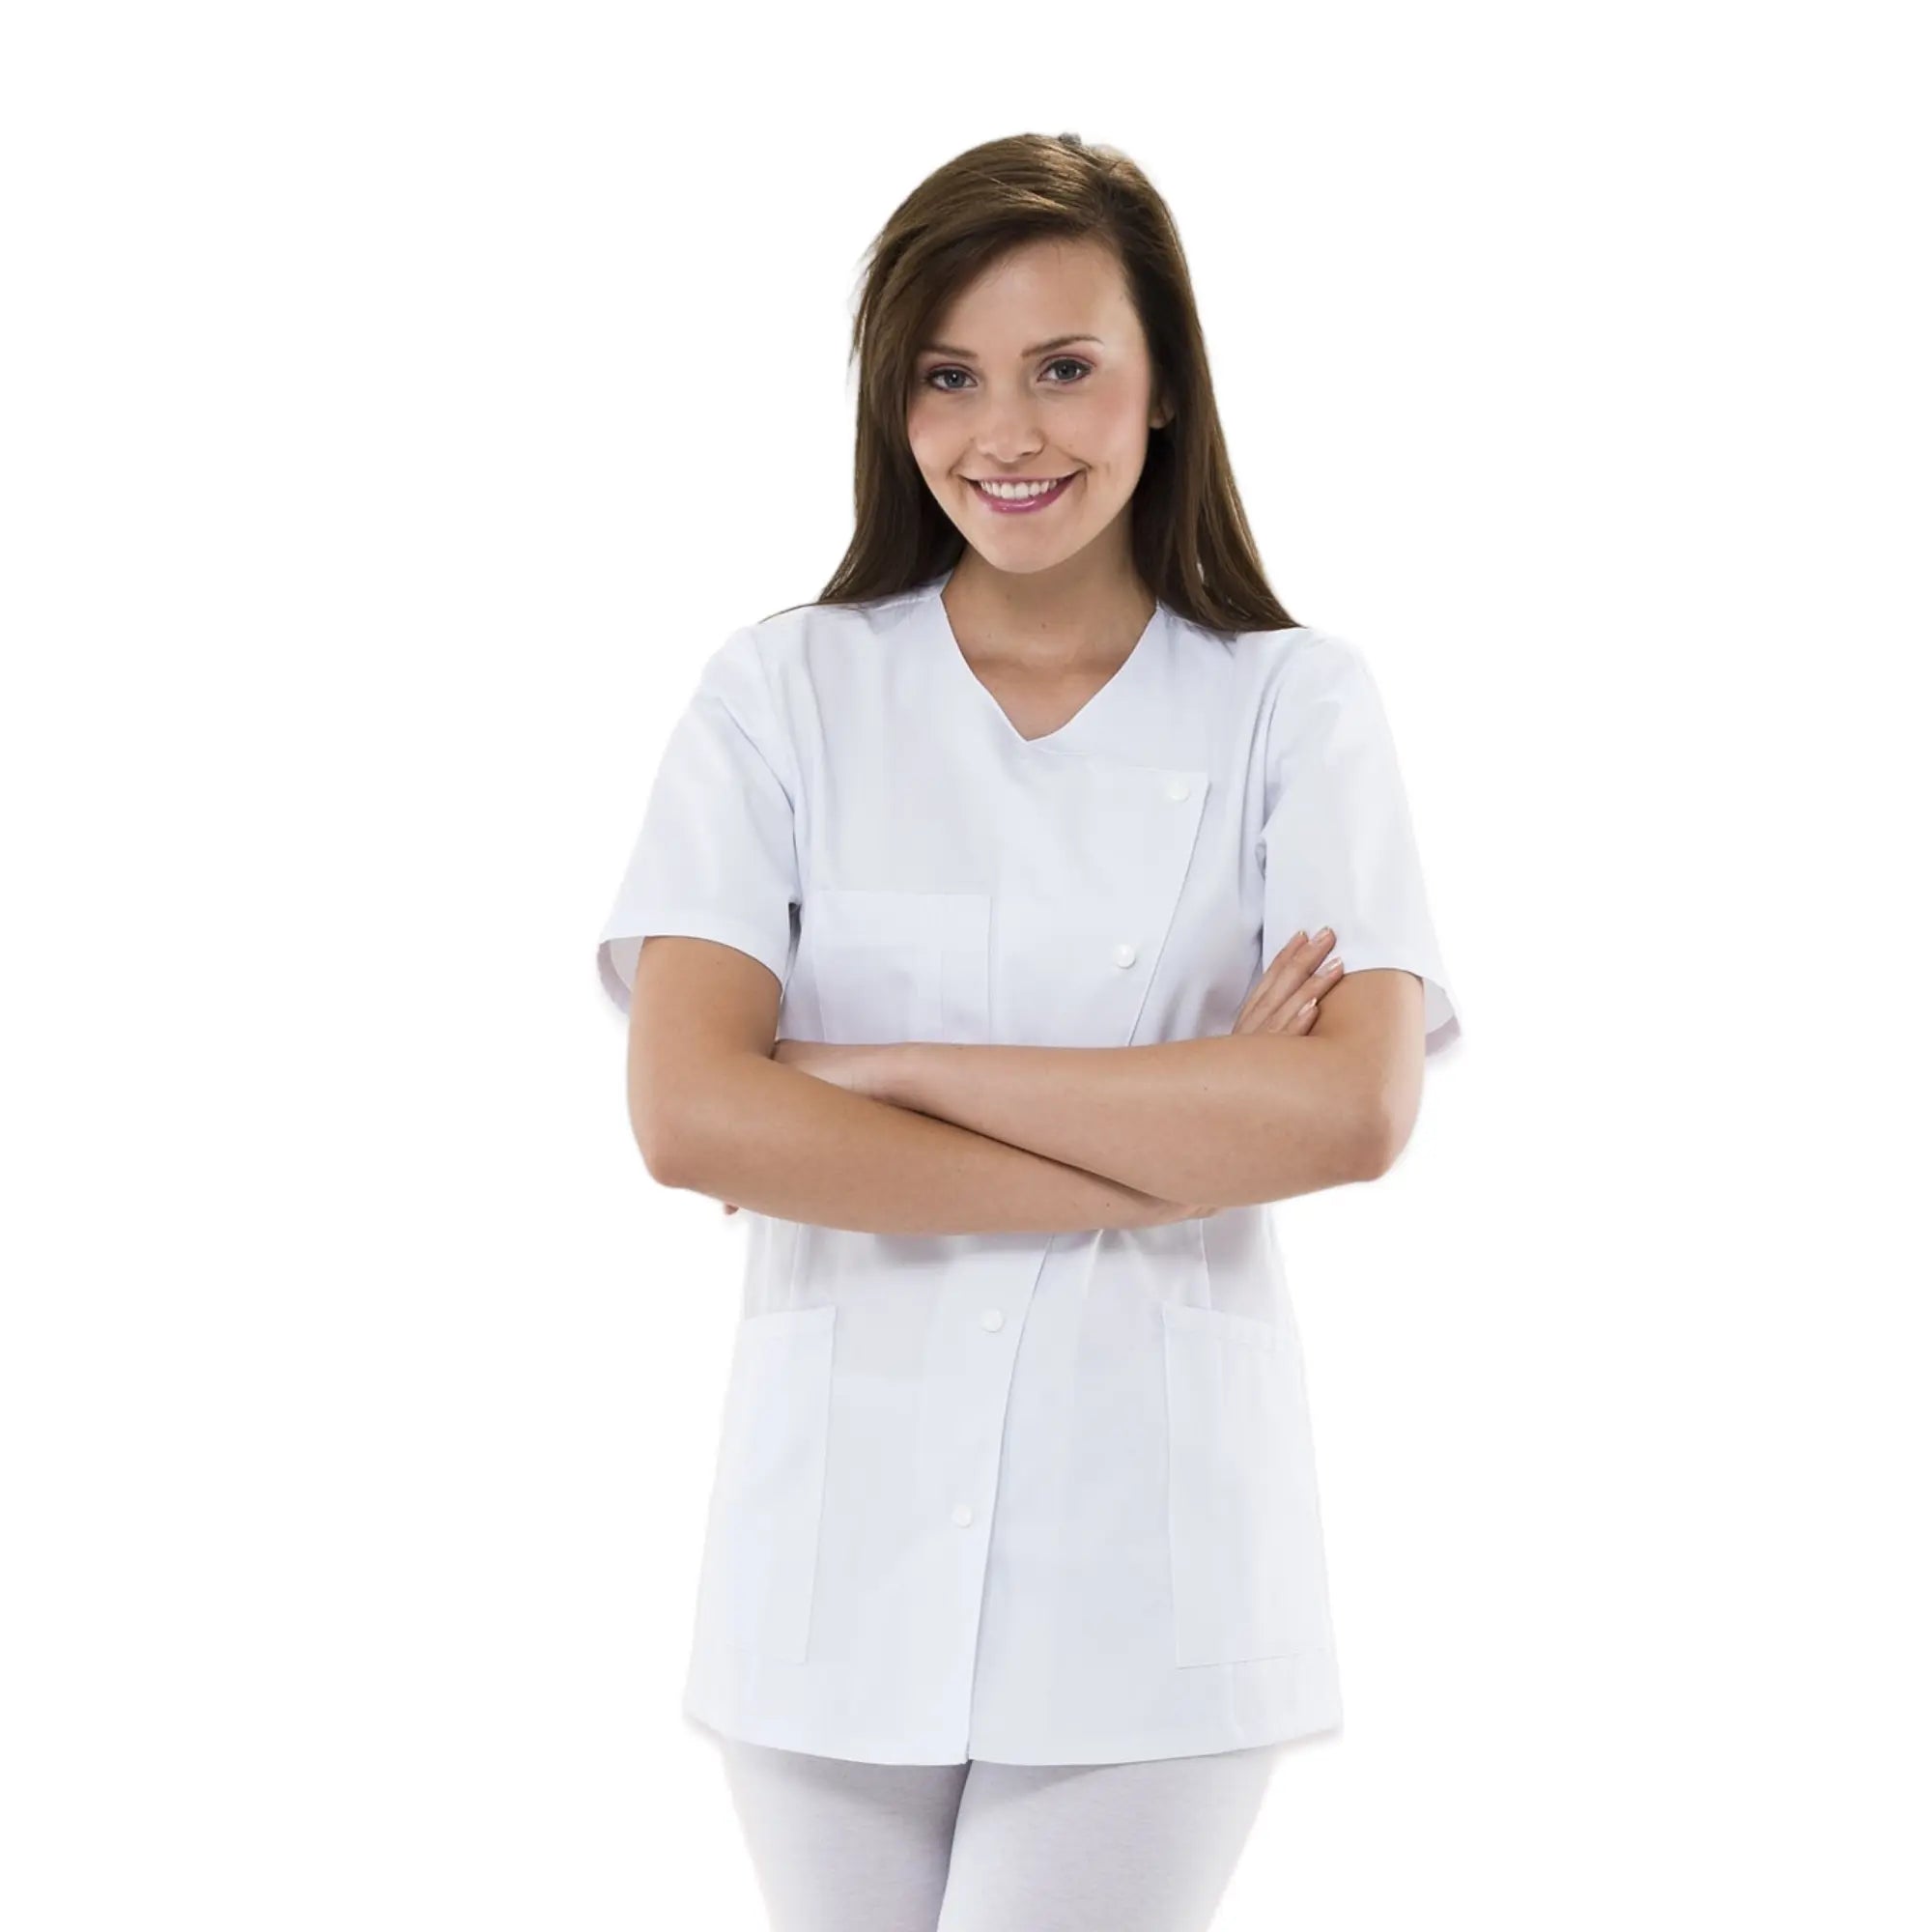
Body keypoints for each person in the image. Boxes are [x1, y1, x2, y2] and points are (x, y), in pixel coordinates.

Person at [594, 130, 1463, 1932]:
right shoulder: (782, 694)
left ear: (1165, 387)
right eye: (949, 376)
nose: (1007, 431)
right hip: (830, 1560)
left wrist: (868, 1076)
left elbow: (1353, 1114)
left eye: (1065, 367)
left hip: (1149, 1568)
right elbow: (690, 1119)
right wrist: (1186, 1129)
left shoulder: (1292, 708)